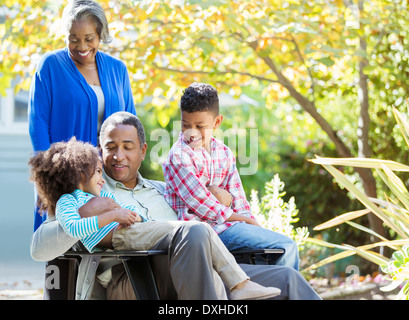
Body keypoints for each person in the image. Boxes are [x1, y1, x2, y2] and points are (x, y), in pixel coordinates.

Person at [30, 111, 321, 300]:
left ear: (142, 151)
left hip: (198, 270)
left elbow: (202, 203)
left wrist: (221, 198)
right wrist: (87, 212)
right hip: (138, 280)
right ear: (99, 150)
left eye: (128, 147)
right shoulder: (87, 196)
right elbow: (39, 247)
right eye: (110, 147)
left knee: (287, 279)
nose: (119, 156)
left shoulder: (166, 191)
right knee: (192, 232)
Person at [162, 82, 299, 270]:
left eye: (200, 126)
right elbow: (203, 205)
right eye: (186, 125)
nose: (192, 133)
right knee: (285, 246)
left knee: (271, 253)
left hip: (229, 226)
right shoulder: (179, 156)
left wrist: (251, 223)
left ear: (217, 122)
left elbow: (238, 198)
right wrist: (241, 218)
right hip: (204, 232)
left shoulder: (224, 152)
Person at [28, 0, 136, 231]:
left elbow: (130, 122)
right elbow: (38, 122)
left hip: (108, 174)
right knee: (66, 246)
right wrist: (51, 176)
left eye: (89, 38)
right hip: (66, 177)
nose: (81, 46)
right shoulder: (50, 65)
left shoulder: (118, 69)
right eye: (73, 38)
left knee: (115, 245)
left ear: (100, 35)